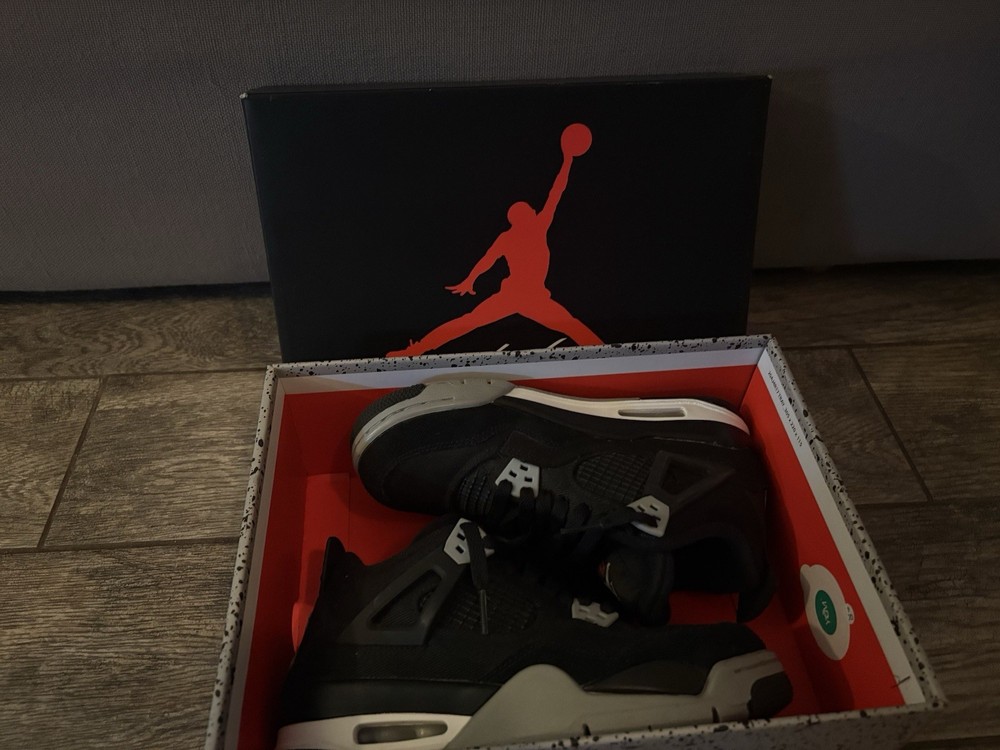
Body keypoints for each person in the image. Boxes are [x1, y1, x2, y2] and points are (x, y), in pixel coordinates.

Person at [387, 125, 603, 357]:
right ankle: (605, 352)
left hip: (528, 296)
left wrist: (471, 279)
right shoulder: (532, 229)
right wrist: (567, 160)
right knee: (570, 325)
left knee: (469, 321)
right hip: (520, 295)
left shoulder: (518, 233)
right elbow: (555, 192)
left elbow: (487, 260)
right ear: (523, 216)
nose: (534, 210)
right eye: (530, 210)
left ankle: (417, 349)